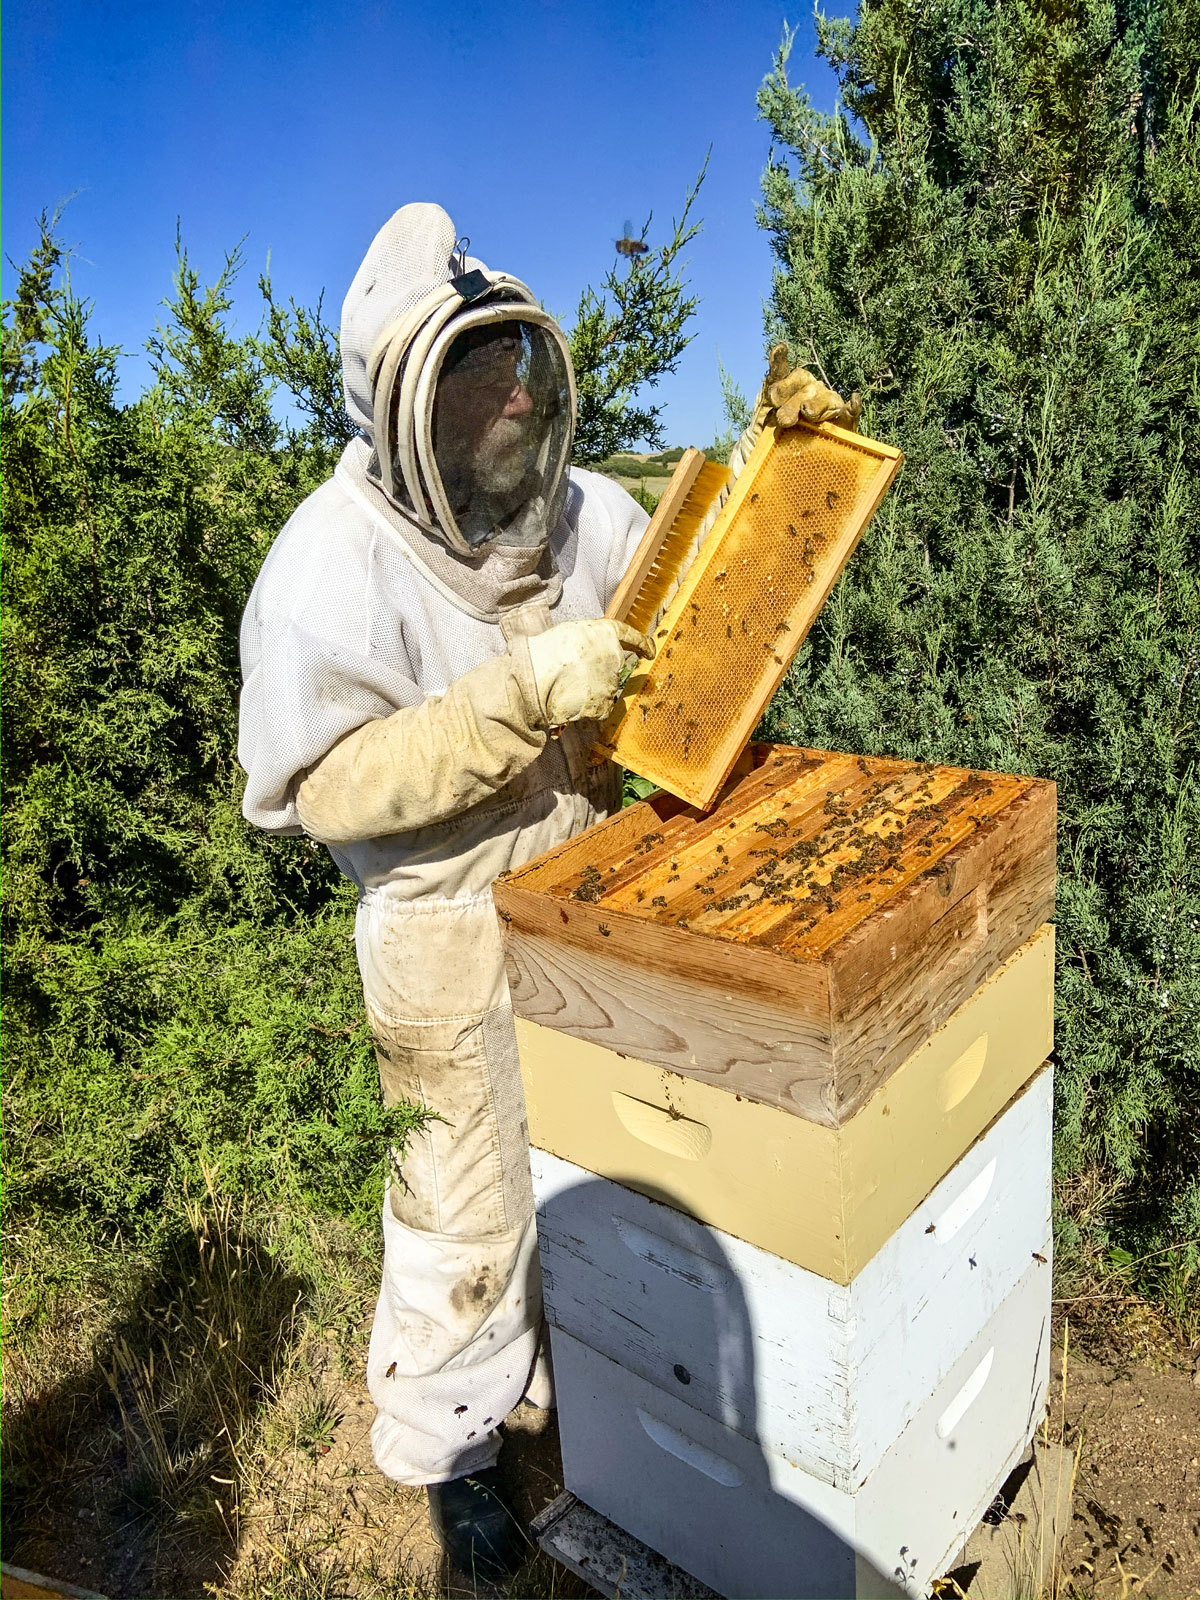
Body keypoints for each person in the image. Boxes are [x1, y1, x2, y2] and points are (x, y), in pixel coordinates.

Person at [237, 201, 856, 1580]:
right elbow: (323, 790)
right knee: (467, 1213)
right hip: (448, 928)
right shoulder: (328, 567)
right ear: (405, 409)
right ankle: (451, 1462)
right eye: (474, 378)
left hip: (600, 885)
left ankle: (591, 1393)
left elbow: (702, 612)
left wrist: (773, 465)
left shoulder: (591, 511)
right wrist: (516, 698)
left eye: (520, 364)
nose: (511, 398)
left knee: (607, 1173)